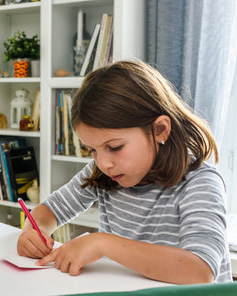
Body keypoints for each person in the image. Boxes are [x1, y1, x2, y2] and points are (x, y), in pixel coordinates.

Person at [17, 60, 232, 284]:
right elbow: (52, 209)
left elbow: (200, 272)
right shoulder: (103, 172)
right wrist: (32, 231)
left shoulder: (200, 182)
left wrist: (102, 243)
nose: (103, 163)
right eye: (91, 150)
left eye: (115, 147)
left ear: (159, 130)